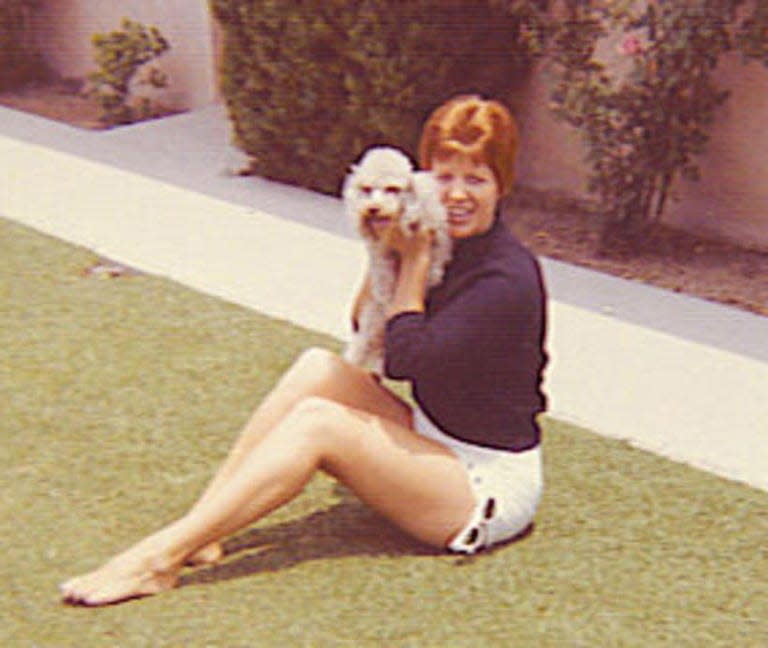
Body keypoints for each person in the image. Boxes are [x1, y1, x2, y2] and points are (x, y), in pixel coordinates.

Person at [60, 94, 548, 606]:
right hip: (436, 436)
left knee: (319, 422)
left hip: (484, 486)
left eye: (477, 180)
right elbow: (364, 320)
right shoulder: (434, 235)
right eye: (444, 177)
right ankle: (204, 530)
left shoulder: (505, 278)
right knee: (318, 368)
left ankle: (157, 562)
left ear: (503, 185)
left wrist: (416, 260)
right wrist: (385, 246)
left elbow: (405, 359)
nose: (457, 195)